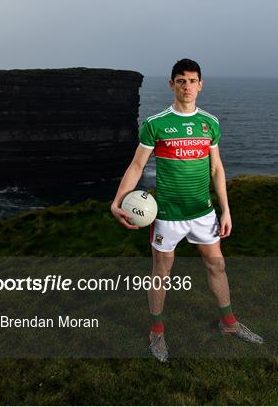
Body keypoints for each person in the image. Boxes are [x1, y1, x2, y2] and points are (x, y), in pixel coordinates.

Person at [111, 58, 263, 362]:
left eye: (193, 81)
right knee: (161, 272)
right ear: (172, 84)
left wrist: (226, 210)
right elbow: (137, 165)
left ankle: (228, 323)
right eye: (181, 80)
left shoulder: (211, 123)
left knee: (216, 266)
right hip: (166, 214)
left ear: (201, 84)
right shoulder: (156, 123)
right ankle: (156, 331)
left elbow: (217, 168)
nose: (187, 86)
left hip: (203, 213)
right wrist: (118, 201)